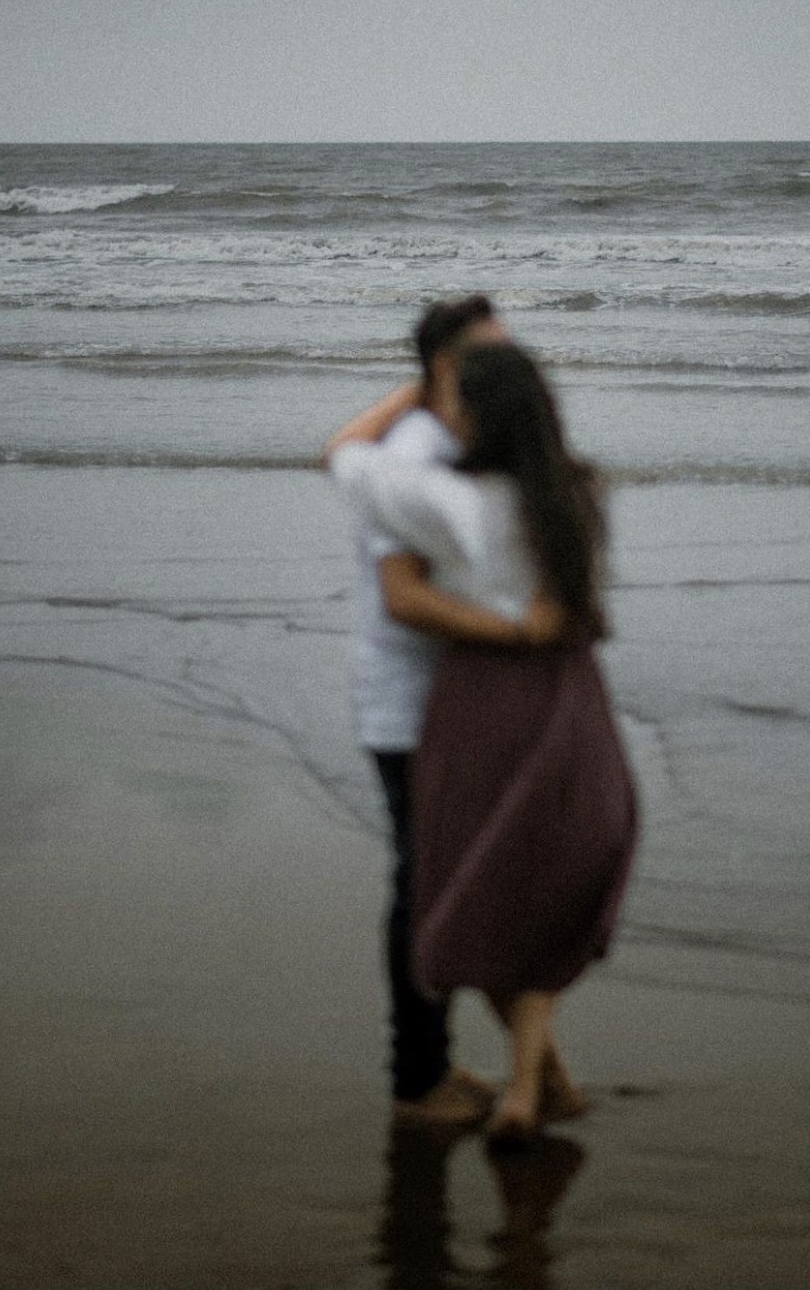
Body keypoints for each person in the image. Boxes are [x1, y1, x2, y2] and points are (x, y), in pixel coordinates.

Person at [326, 341, 637, 1144]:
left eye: (456, 399)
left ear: (475, 411)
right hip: (566, 694)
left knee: (481, 883)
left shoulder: (438, 497)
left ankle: (534, 1088)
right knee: (542, 888)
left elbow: (341, 457)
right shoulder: (578, 488)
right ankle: (533, 1087)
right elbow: (577, 599)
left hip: (474, 700)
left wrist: (411, 386)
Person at [349, 295, 535, 1127]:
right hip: (412, 707)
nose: (511, 362)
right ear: (447, 368)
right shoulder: (414, 455)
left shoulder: (455, 440)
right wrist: (523, 634)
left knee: (443, 887)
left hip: (453, 705)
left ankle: (438, 1066)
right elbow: (402, 599)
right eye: (490, 352)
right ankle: (417, 1081)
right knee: (427, 891)